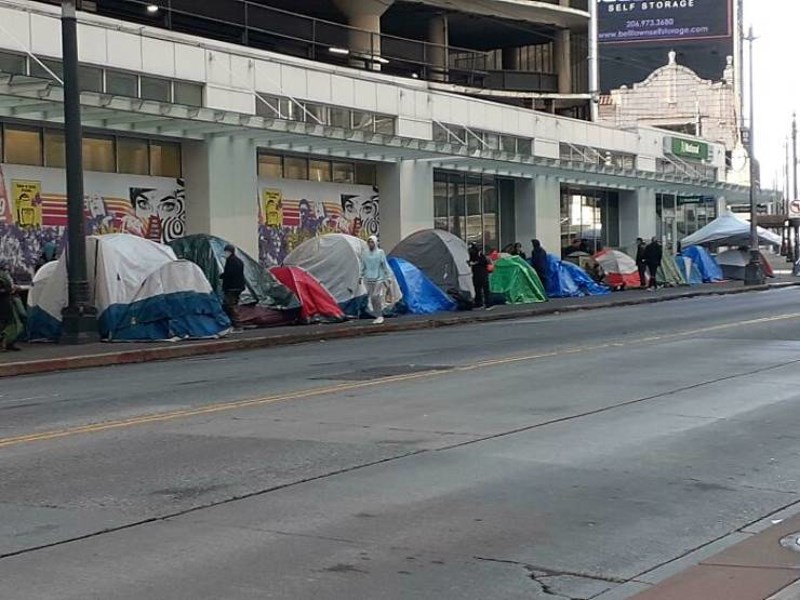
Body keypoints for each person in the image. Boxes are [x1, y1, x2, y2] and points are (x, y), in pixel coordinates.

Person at [360, 235, 391, 324]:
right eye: (369, 242)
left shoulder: (380, 252)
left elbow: (384, 265)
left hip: (379, 277)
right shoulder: (365, 253)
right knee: (372, 298)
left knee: (376, 296)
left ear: (375, 243)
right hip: (368, 278)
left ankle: (380, 315)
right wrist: (360, 276)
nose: (371, 244)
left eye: (372, 242)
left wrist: (388, 276)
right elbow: (363, 266)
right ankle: (377, 315)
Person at [220, 244, 246, 327]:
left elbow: (229, 274)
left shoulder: (230, 261)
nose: (225, 253)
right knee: (232, 304)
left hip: (232, 287)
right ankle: (234, 323)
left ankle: (237, 324)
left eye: (226, 251)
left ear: (230, 252)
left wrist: (222, 276)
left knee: (230, 305)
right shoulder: (239, 261)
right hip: (238, 287)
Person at [0, 264, 21, 352]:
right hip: (3, 301)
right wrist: (9, 290)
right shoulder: (3, 275)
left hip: (8, 300)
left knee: (13, 322)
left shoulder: (5, 274)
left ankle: (9, 343)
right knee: (5, 323)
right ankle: (4, 344)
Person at [468, 242, 491, 309]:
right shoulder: (478, 255)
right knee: (480, 289)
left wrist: (474, 263)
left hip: (480, 274)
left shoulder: (479, 255)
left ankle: (484, 303)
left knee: (481, 289)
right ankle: (481, 303)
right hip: (480, 274)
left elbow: (482, 262)